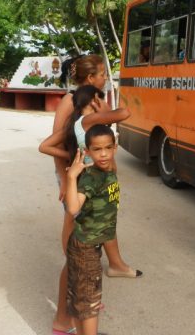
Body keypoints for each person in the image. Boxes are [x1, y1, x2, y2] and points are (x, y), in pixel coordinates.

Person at [44, 55, 139, 335]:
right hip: (79, 183)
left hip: (91, 180)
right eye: (102, 75)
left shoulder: (86, 108)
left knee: (89, 244)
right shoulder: (76, 106)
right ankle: (65, 318)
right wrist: (66, 176)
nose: (105, 79)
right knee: (76, 254)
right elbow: (58, 141)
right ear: (90, 80)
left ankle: (85, 306)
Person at [64, 124, 120, 335]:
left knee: (81, 296)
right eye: (97, 149)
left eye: (108, 147)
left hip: (90, 244)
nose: (104, 154)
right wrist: (71, 177)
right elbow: (73, 208)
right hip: (85, 248)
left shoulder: (109, 168)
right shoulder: (91, 177)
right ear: (87, 151)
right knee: (89, 301)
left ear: (115, 147)